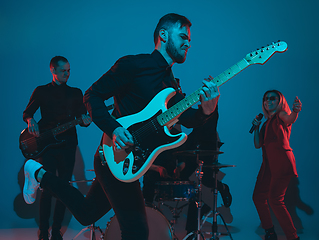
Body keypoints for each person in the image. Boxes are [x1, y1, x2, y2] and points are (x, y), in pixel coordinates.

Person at [23, 13, 220, 240]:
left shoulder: (171, 84)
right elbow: (92, 95)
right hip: (112, 155)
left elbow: (185, 118)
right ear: (163, 35)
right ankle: (37, 172)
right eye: (183, 36)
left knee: (87, 213)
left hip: (131, 162)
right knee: (136, 231)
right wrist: (114, 129)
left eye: (189, 39)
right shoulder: (133, 65)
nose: (188, 42)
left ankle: (37, 173)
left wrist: (207, 110)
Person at [22, 56, 92, 240]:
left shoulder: (76, 92)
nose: (67, 74)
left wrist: (86, 121)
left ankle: (56, 232)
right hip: (48, 146)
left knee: (64, 188)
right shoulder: (41, 91)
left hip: (68, 145)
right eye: (63, 71)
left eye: (69, 70)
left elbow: (82, 117)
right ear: (53, 70)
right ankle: (43, 232)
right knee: (47, 187)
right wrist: (31, 120)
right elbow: (28, 112)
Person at [143, 104, 232, 235]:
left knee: (201, 184)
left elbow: (183, 156)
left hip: (204, 146)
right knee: (149, 184)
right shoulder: (151, 135)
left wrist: (179, 167)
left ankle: (191, 231)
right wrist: (158, 168)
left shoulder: (178, 134)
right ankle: (151, 222)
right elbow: (141, 162)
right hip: (155, 175)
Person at [252, 90, 302, 240]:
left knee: (275, 199)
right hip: (268, 166)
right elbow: (257, 144)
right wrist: (256, 127)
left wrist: (295, 111)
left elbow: (290, 119)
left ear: (279, 101)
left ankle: (293, 237)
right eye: (265, 99)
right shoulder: (266, 123)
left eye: (272, 98)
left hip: (281, 163)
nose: (268, 101)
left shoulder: (281, 115)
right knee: (258, 196)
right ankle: (270, 232)